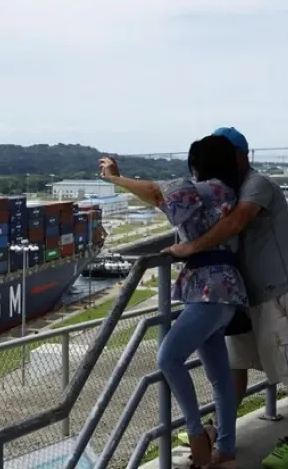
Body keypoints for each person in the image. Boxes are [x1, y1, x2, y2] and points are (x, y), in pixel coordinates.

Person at [166, 127, 288, 469]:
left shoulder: (255, 185)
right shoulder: (225, 190)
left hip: (281, 293)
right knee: (233, 370)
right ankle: (220, 434)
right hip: (245, 297)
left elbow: (236, 224)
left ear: (239, 156)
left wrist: (189, 248)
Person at [100, 135, 248, 468]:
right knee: (220, 377)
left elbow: (157, 194)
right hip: (223, 292)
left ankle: (197, 434)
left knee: (168, 356)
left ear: (197, 164)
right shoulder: (227, 193)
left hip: (209, 290)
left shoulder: (207, 190)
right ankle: (225, 450)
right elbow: (161, 197)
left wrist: (112, 178)